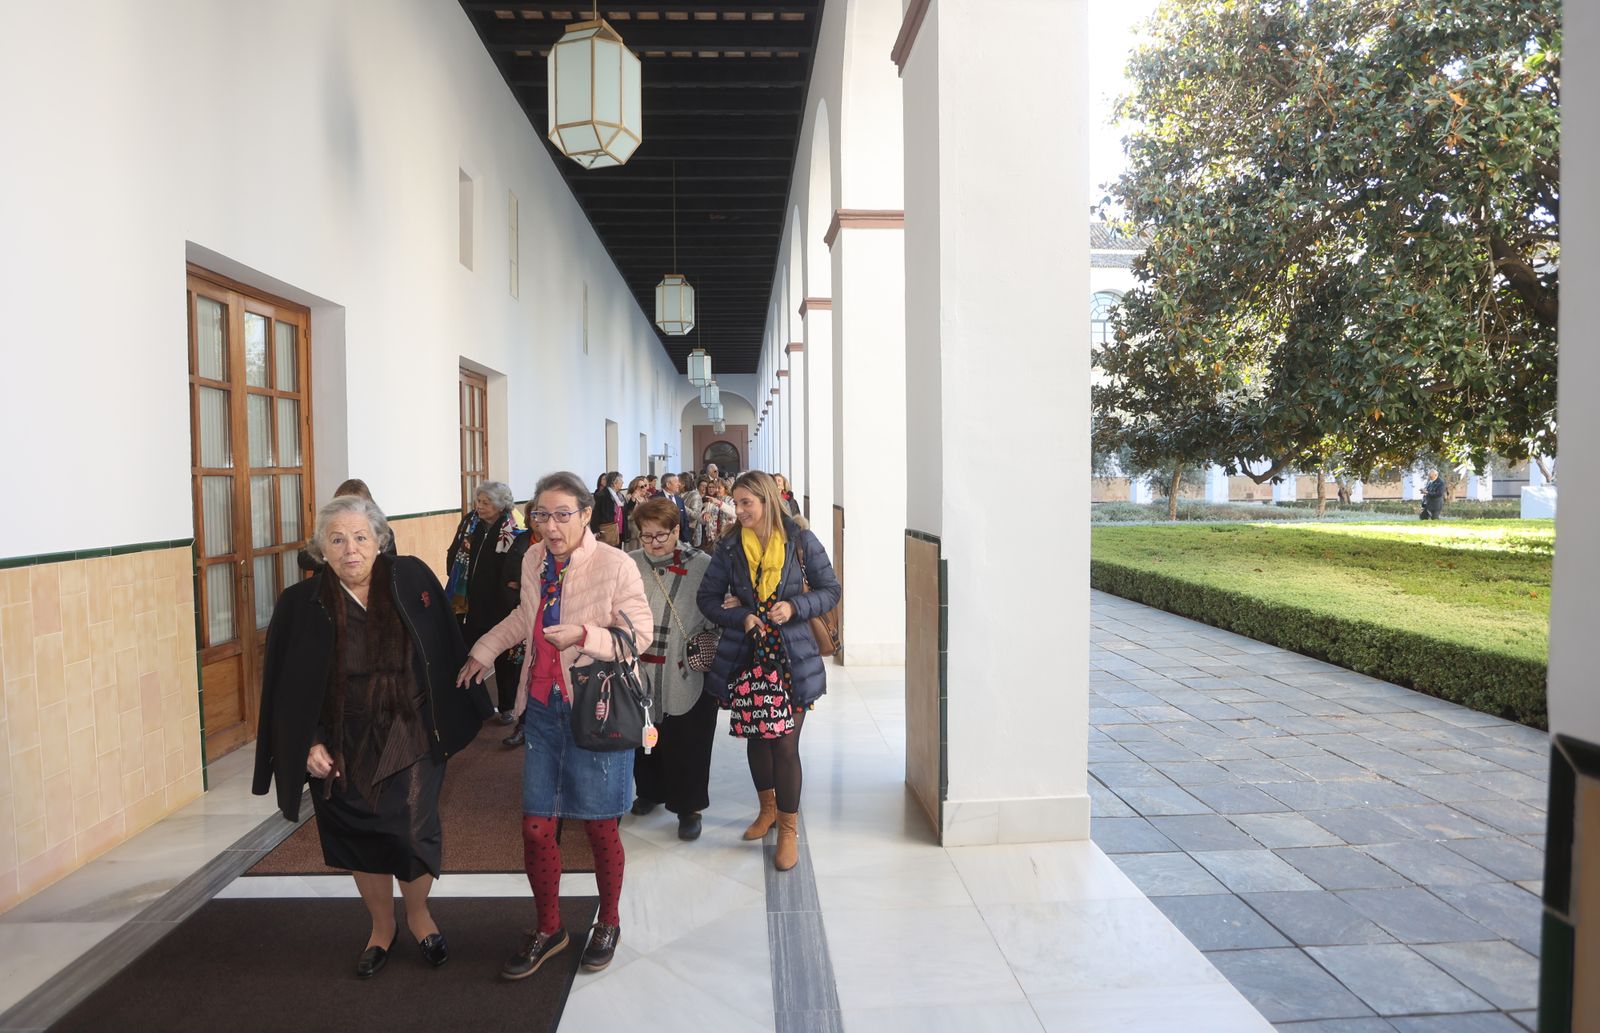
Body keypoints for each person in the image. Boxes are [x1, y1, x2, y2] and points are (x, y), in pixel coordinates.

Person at [254, 496, 489, 978]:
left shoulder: (412, 578)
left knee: (410, 829)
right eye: (337, 540)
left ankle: (419, 916)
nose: (351, 550)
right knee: (359, 831)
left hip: (411, 726)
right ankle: (381, 927)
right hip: (341, 735)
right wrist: (309, 743)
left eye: (361, 537)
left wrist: (461, 697)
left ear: (380, 540)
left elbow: (443, 643)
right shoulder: (301, 604)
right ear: (321, 548)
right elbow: (289, 688)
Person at [458, 471, 653, 980]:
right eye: (540, 515)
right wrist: (484, 650)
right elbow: (526, 618)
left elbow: (640, 634)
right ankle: (550, 927)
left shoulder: (615, 564)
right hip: (543, 708)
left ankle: (607, 921)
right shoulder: (532, 559)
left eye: (563, 514)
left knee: (599, 824)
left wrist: (586, 634)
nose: (551, 525)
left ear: (587, 515)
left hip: (595, 709)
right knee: (536, 825)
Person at [697, 471, 840, 872]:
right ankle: (767, 809)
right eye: (736, 503)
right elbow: (706, 598)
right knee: (758, 738)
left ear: (768, 501)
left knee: (785, 744)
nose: (739, 510)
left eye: (747, 503)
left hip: (792, 657)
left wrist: (795, 607)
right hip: (749, 654)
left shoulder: (799, 540)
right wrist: (741, 616)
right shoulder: (728, 548)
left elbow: (831, 589)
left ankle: (789, 829)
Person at [627, 498, 719, 840]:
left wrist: (709, 636)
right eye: (646, 536)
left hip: (685, 667)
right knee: (643, 736)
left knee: (689, 739)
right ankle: (650, 791)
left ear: (677, 530)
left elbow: (717, 611)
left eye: (661, 536)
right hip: (640, 669)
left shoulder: (703, 565)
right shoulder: (630, 564)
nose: (653, 544)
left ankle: (688, 806)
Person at [445, 482, 527, 721]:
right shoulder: (471, 523)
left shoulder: (515, 528)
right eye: (478, 501)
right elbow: (456, 550)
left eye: (485, 502)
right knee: (468, 652)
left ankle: (507, 707)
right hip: (469, 602)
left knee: (504, 659)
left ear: (501, 505)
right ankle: (474, 704)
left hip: (501, 604)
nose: (479, 506)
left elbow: (520, 566)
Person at [296, 478, 395, 574]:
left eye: (360, 538)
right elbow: (303, 560)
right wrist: (328, 553)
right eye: (343, 505)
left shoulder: (382, 532)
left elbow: (389, 565)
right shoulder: (327, 529)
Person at [590, 471, 627, 547]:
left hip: (619, 530)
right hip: (608, 531)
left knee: (617, 554)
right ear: (614, 482)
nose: (623, 482)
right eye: (621, 480)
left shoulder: (620, 496)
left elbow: (624, 511)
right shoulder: (602, 495)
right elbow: (595, 514)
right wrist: (595, 531)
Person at [699, 479, 736, 550]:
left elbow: (734, 513)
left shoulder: (732, 500)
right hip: (713, 539)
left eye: (719, 488)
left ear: (725, 488)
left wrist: (720, 504)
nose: (716, 490)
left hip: (728, 538)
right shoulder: (712, 500)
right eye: (715, 487)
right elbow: (701, 520)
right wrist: (704, 514)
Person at [621, 476, 652, 552]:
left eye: (645, 485)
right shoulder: (629, 497)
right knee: (633, 553)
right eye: (642, 486)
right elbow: (627, 511)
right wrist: (633, 498)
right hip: (633, 531)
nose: (645, 488)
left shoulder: (646, 498)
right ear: (635, 487)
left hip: (645, 529)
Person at [662, 473, 694, 544]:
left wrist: (687, 539)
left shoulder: (679, 500)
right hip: (663, 540)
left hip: (681, 541)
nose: (679, 484)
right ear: (668, 484)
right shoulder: (656, 499)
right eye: (676, 482)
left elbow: (685, 520)